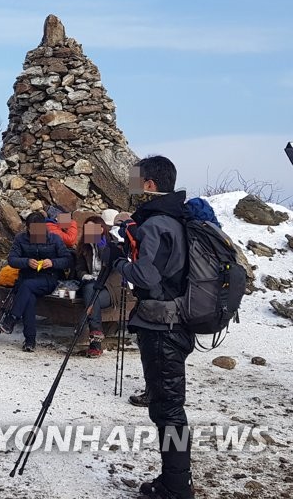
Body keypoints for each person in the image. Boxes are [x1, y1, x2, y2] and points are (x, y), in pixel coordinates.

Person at [115, 156, 193, 499]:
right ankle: (174, 481)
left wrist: (117, 261)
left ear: (149, 184)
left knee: (168, 410)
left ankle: (176, 486)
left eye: (135, 179)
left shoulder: (157, 223)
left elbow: (147, 276)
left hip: (163, 325)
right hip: (178, 321)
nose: (131, 183)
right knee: (168, 407)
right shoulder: (178, 217)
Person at [0, 212, 73, 352]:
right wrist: (26, 262)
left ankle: (12, 318)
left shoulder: (54, 239)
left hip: (50, 278)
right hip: (28, 277)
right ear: (27, 228)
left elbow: (68, 260)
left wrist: (52, 262)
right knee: (29, 298)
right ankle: (30, 340)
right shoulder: (21, 239)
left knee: (26, 287)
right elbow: (12, 259)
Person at [73, 216, 124, 358]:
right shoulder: (84, 247)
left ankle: (92, 336)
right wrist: (85, 275)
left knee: (90, 298)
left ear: (101, 229)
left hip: (109, 288)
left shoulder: (112, 245)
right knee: (90, 292)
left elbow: (112, 265)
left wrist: (100, 246)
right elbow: (79, 269)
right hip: (91, 285)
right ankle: (96, 338)